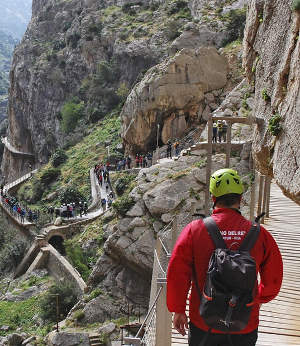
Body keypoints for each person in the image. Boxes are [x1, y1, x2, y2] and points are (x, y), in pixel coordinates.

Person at [167, 168, 283, 346]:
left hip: (203, 322)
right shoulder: (260, 234)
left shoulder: (194, 230)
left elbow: (177, 273)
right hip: (245, 322)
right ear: (241, 198)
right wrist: (257, 298)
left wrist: (178, 309)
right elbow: (274, 279)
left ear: (213, 198)